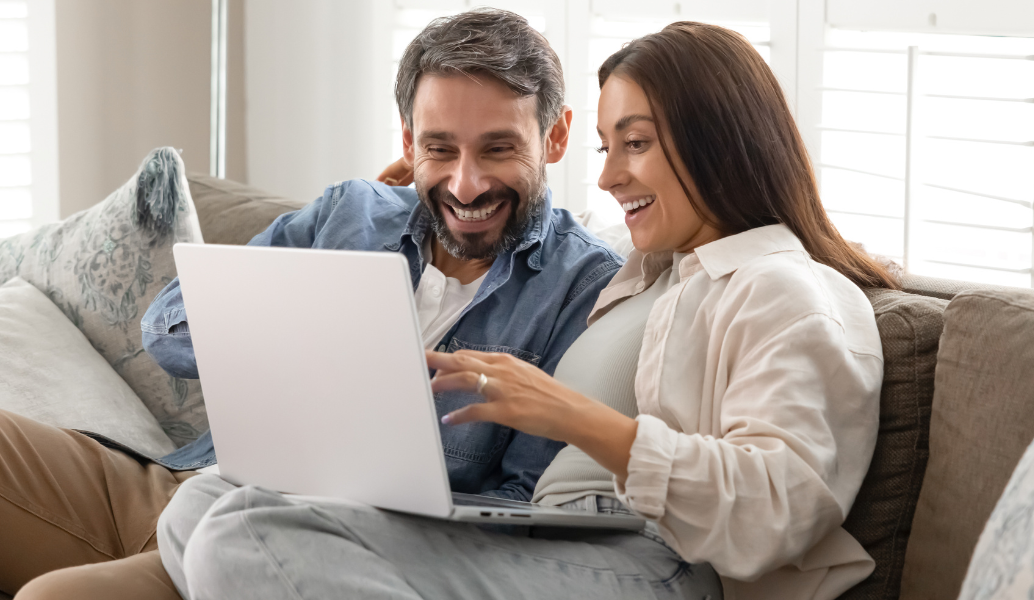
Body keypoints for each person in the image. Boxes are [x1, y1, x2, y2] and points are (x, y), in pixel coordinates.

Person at [0, 9, 622, 600]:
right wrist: (294, 332)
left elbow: (522, 517)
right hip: (173, 477)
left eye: (498, 149)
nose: (466, 183)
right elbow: (170, 323)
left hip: (286, 539)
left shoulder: (584, 286)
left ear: (552, 138)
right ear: (408, 142)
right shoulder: (352, 214)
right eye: (441, 148)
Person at [155, 20, 899, 600]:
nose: (606, 176)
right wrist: (423, 189)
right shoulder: (656, 274)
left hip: (650, 563)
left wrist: (571, 416)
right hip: (545, 533)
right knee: (203, 507)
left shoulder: (786, 290)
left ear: (720, 142)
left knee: (239, 539)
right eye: (607, 146)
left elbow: (781, 510)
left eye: (633, 144)